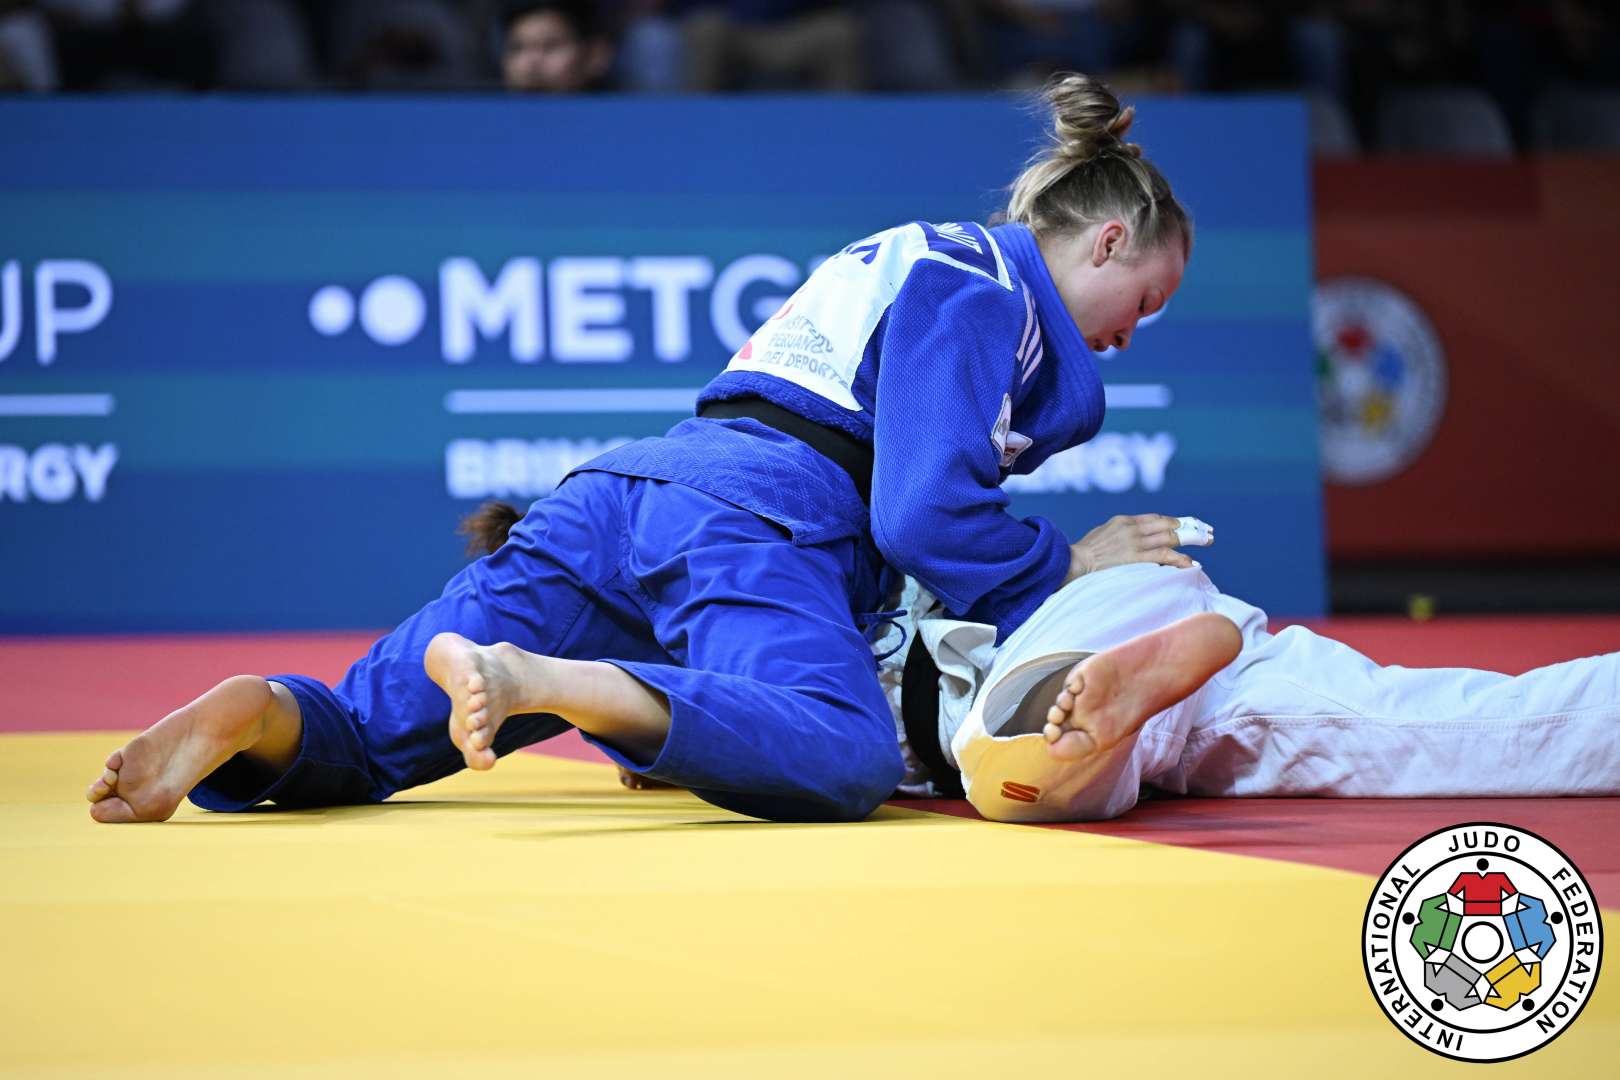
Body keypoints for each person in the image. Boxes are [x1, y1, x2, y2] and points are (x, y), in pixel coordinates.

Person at [85, 72, 1194, 826]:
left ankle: (257, 712)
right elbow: (918, 518)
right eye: (1145, 300)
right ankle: (548, 682)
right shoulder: (984, 288)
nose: (1130, 334)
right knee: (844, 752)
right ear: (1107, 241)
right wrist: (1066, 564)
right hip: (755, 519)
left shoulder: (916, 254)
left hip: (617, 498)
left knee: (361, 741)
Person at [882, 554, 1620, 823]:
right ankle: (1084, 707)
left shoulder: (849, 579)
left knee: (995, 767)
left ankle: (1058, 706)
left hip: (1059, 639)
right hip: (1147, 616)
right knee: (1444, 726)